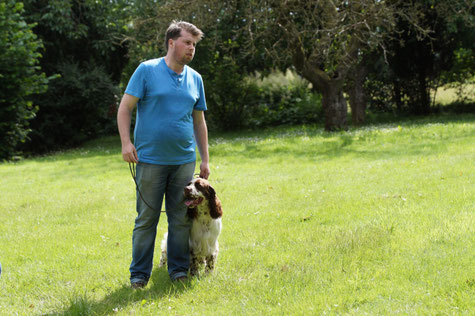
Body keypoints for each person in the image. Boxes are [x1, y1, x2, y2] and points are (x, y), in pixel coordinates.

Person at [117, 21, 210, 288]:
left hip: (183, 161)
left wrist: (204, 158)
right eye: (187, 42)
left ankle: (178, 271)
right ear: (172, 42)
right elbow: (125, 109)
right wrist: (126, 143)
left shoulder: (196, 78)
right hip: (150, 161)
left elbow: (199, 121)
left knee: (181, 218)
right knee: (146, 219)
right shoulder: (146, 71)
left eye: (194, 44)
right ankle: (139, 275)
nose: (192, 48)